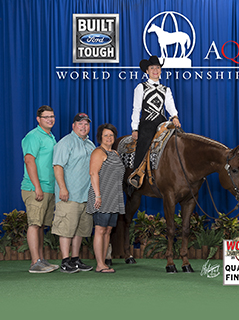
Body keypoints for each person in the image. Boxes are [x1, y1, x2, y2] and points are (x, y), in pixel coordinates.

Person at [52, 112, 96, 273]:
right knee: (66, 228)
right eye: (80, 124)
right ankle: (65, 260)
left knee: (80, 229)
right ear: (73, 126)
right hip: (69, 195)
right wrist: (63, 188)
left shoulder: (90, 144)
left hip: (85, 195)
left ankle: (75, 259)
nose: (83, 127)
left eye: (86, 124)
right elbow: (57, 166)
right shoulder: (66, 142)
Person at [128, 55, 181, 188]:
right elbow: (136, 109)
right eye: (152, 68)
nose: (155, 70)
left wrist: (174, 117)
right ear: (147, 71)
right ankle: (137, 173)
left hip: (162, 122)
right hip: (147, 122)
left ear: (161, 70)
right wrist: (135, 128)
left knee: (178, 137)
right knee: (144, 141)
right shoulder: (141, 87)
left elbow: (170, 106)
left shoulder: (166, 89)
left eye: (157, 67)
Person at [21, 105, 59, 273]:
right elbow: (29, 161)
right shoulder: (33, 136)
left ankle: (41, 260)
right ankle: (34, 262)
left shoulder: (51, 137)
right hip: (36, 188)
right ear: (38, 119)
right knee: (34, 224)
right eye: (46, 117)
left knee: (42, 225)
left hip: (49, 188)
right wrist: (37, 187)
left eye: (52, 116)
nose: (50, 119)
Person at [86, 124, 125, 273]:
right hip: (101, 197)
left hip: (114, 197)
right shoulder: (98, 152)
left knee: (108, 230)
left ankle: (103, 262)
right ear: (100, 138)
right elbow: (93, 173)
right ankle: (99, 264)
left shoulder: (115, 153)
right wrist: (98, 195)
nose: (109, 138)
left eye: (111, 135)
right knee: (100, 230)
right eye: (105, 135)